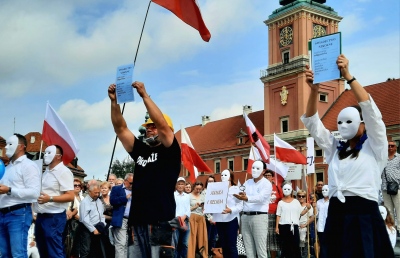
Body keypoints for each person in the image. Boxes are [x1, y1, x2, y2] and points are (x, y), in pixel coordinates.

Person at [301, 54, 394, 257]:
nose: (342, 126)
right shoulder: (336, 149)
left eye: (349, 121)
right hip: (337, 215)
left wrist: (348, 77)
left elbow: (372, 113)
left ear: (362, 124)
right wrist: (314, 90)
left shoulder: (375, 146)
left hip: (363, 215)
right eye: (340, 122)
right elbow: (313, 124)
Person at [108, 81, 181, 258]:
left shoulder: (170, 150)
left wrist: (144, 96)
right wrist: (114, 102)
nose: (149, 129)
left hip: (160, 219)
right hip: (137, 220)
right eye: (147, 126)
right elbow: (120, 128)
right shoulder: (141, 150)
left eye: (152, 126)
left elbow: (162, 124)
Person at [0, 134, 41, 257]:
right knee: (5, 254)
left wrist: (9, 190)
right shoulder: (7, 168)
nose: (6, 147)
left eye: (10, 144)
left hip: (18, 213)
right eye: (5, 144)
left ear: (21, 147)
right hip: (3, 213)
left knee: (18, 254)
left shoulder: (29, 165)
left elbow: (34, 193)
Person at [33, 145, 74, 258]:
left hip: (54, 217)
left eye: (49, 153)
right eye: (45, 152)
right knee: (43, 250)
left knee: (54, 252)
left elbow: (70, 195)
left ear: (58, 157)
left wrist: (50, 198)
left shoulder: (63, 172)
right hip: (41, 216)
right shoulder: (46, 171)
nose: (45, 155)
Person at [233, 160, 272, 258]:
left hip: (259, 217)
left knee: (261, 249)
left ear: (263, 171)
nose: (254, 170)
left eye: (257, 168)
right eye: (253, 168)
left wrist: (247, 198)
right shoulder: (247, 182)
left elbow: (261, 198)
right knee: (249, 250)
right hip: (245, 216)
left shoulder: (266, 184)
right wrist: (241, 195)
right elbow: (242, 195)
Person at [213, 169, 243, 258]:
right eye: (221, 175)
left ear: (230, 177)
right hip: (219, 220)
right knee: (224, 246)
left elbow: (240, 205)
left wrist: (231, 210)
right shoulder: (216, 189)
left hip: (231, 219)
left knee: (231, 246)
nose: (223, 177)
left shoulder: (236, 189)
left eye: (225, 175)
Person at [276, 183, 311, 258]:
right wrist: (277, 227)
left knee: (295, 246)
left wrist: (307, 208)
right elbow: (278, 215)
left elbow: (300, 213)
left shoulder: (296, 201)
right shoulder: (280, 202)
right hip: (283, 226)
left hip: (294, 226)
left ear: (291, 190)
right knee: (285, 246)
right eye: (285, 189)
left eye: (288, 189)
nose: (286, 190)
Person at [79, 184, 107, 258]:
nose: (97, 194)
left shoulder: (99, 201)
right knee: (86, 250)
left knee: (96, 250)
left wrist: (103, 224)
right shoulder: (85, 202)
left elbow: (101, 214)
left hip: (98, 228)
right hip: (87, 229)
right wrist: (93, 229)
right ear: (89, 191)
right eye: (95, 193)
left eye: (98, 192)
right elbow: (84, 218)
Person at [110, 173, 133, 258]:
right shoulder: (116, 189)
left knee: (127, 244)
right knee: (121, 244)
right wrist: (125, 198)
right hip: (121, 219)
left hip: (131, 221)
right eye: (130, 183)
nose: (132, 185)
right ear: (125, 181)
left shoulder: (135, 190)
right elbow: (112, 201)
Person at [381, 140, 400, 232]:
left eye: (392, 146)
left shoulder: (399, 158)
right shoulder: (383, 159)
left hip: (397, 187)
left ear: (396, 147)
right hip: (385, 188)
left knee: (399, 209)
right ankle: (392, 230)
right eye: (388, 146)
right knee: (389, 210)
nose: (390, 147)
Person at [264, 170, 282, 258]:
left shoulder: (276, 186)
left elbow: (282, 198)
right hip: (263, 214)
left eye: (269, 175)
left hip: (274, 214)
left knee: (273, 239)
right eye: (266, 175)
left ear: (272, 177)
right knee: (264, 237)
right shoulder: (261, 187)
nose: (267, 177)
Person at [188, 181, 208, 258]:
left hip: (201, 217)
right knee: (192, 238)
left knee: (202, 238)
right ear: (194, 187)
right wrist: (195, 207)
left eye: (200, 189)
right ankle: (190, 255)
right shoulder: (189, 196)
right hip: (192, 217)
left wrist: (203, 207)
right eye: (197, 189)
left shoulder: (202, 196)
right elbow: (186, 209)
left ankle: (203, 255)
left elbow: (206, 208)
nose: (198, 190)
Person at [173, 177, 191, 258]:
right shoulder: (173, 195)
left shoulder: (187, 196)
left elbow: (188, 209)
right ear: (176, 185)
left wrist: (184, 217)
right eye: (179, 184)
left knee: (184, 243)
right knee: (175, 243)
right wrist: (179, 218)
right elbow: (172, 208)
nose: (180, 186)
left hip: (185, 221)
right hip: (176, 222)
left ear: (184, 185)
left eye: (182, 184)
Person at [69, 178, 84, 258]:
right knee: (72, 244)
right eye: (75, 185)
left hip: (82, 223)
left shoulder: (83, 197)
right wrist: (80, 218)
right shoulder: (70, 197)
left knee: (80, 245)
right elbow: (71, 210)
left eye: (79, 185)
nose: (77, 187)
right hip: (73, 223)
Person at [203, 175, 218, 255]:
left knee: (214, 238)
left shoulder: (217, 192)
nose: (211, 183)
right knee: (207, 238)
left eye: (212, 181)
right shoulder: (204, 192)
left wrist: (216, 217)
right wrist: (209, 218)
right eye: (209, 181)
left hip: (216, 218)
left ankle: (212, 253)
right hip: (207, 219)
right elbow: (204, 206)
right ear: (207, 182)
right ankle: (206, 254)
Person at [297, 189, 314, 258]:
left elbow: (312, 217)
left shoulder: (308, 206)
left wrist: (305, 224)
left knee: (304, 244)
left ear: (305, 197)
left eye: (303, 196)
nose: (301, 197)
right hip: (295, 226)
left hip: (305, 227)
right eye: (299, 196)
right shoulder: (295, 205)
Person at [316, 185, 329, 258]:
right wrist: (314, 207)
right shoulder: (318, 202)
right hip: (320, 227)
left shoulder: (332, 202)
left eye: (326, 190)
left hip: (329, 226)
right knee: (322, 244)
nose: (324, 192)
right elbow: (316, 214)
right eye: (323, 190)